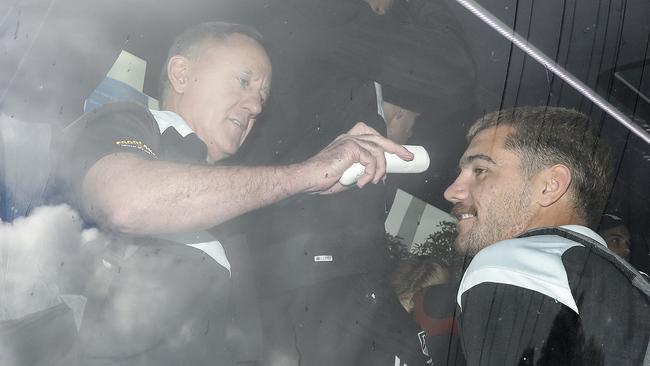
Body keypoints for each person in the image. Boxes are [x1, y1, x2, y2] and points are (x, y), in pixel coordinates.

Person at [55, 21, 412, 365]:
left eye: (262, 96)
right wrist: (305, 174)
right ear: (181, 74)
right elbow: (125, 202)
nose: (256, 105)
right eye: (243, 81)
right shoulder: (132, 123)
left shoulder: (235, 214)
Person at [443, 106, 650, 365]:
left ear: (550, 185)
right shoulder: (630, 290)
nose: (452, 191)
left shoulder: (515, 263)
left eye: (480, 170)